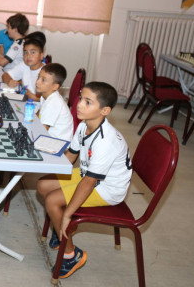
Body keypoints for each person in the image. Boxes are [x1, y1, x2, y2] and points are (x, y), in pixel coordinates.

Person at [36, 82, 131, 279]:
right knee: (43, 184)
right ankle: (61, 230)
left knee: (52, 201)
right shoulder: (83, 125)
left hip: (108, 188)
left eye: (88, 102)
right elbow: (71, 156)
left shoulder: (106, 142)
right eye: (81, 99)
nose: (79, 105)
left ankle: (71, 254)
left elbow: (89, 183)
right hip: (89, 174)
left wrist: (67, 215)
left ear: (105, 111)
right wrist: (46, 164)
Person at [36, 63, 74, 141]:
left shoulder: (53, 103)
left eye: (43, 80)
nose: (37, 82)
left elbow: (41, 131)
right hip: (50, 137)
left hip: (58, 143)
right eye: (38, 77)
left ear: (55, 86)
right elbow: (38, 115)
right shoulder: (45, 96)